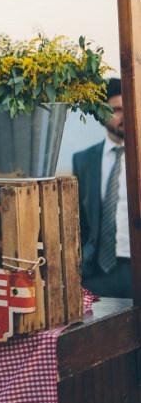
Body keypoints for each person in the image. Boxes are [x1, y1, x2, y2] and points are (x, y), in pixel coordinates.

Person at [72, 78, 131, 298]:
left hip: (135, 267)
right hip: (96, 272)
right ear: (101, 113)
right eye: (116, 110)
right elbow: (78, 220)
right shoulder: (84, 161)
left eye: (129, 108)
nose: (124, 116)